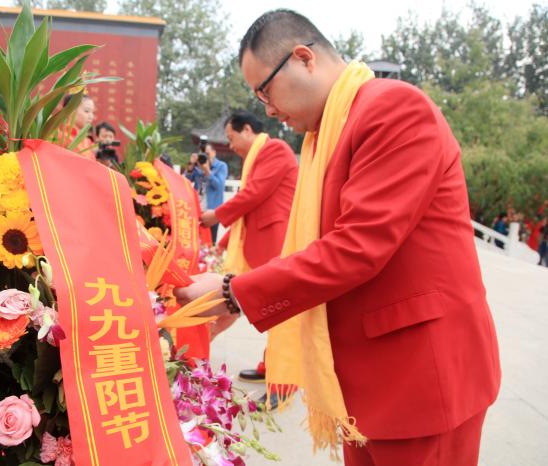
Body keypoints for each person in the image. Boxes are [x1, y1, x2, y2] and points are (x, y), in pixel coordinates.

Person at [176, 9, 500, 466]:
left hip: (421, 373)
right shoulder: (324, 136)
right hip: (365, 377)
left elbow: (357, 247)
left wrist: (235, 292)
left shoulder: (393, 109)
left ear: (304, 58)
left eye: (265, 91)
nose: (269, 110)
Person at [201, 110, 298, 406]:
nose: (231, 146)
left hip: (278, 245)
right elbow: (253, 208)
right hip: (261, 243)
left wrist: (216, 216)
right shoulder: (256, 157)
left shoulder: (275, 150)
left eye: (231, 138)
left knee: (282, 315)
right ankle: (270, 367)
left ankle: (284, 382)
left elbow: (254, 194)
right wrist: (224, 242)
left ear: (247, 130)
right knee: (266, 311)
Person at [201, 143, 227, 243]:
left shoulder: (221, 166)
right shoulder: (200, 165)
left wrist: (208, 172)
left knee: (210, 241)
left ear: (214, 153)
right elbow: (188, 179)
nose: (206, 156)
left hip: (212, 211)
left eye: (207, 154)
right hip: (199, 208)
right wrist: (191, 166)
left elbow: (219, 186)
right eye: (203, 154)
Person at [61, 93, 95, 159]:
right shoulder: (61, 137)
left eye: (93, 112)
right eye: (87, 111)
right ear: (71, 111)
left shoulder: (88, 141)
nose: (91, 116)